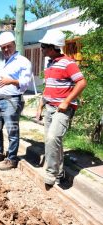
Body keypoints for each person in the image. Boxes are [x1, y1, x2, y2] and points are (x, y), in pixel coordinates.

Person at [36, 30, 87, 186]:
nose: (41, 49)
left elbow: (81, 82)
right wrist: (40, 106)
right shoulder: (50, 64)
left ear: (52, 47)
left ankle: (51, 173)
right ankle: (59, 172)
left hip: (62, 109)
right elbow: (49, 88)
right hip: (49, 108)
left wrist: (66, 101)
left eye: (43, 46)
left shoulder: (68, 63)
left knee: (53, 138)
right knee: (51, 141)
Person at [0, 31, 32, 170]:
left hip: (12, 101)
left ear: (14, 44)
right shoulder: (6, 61)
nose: (6, 49)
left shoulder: (23, 62)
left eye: (8, 46)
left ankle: (12, 159)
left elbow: (26, 83)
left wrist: (11, 81)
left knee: (12, 131)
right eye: (3, 47)